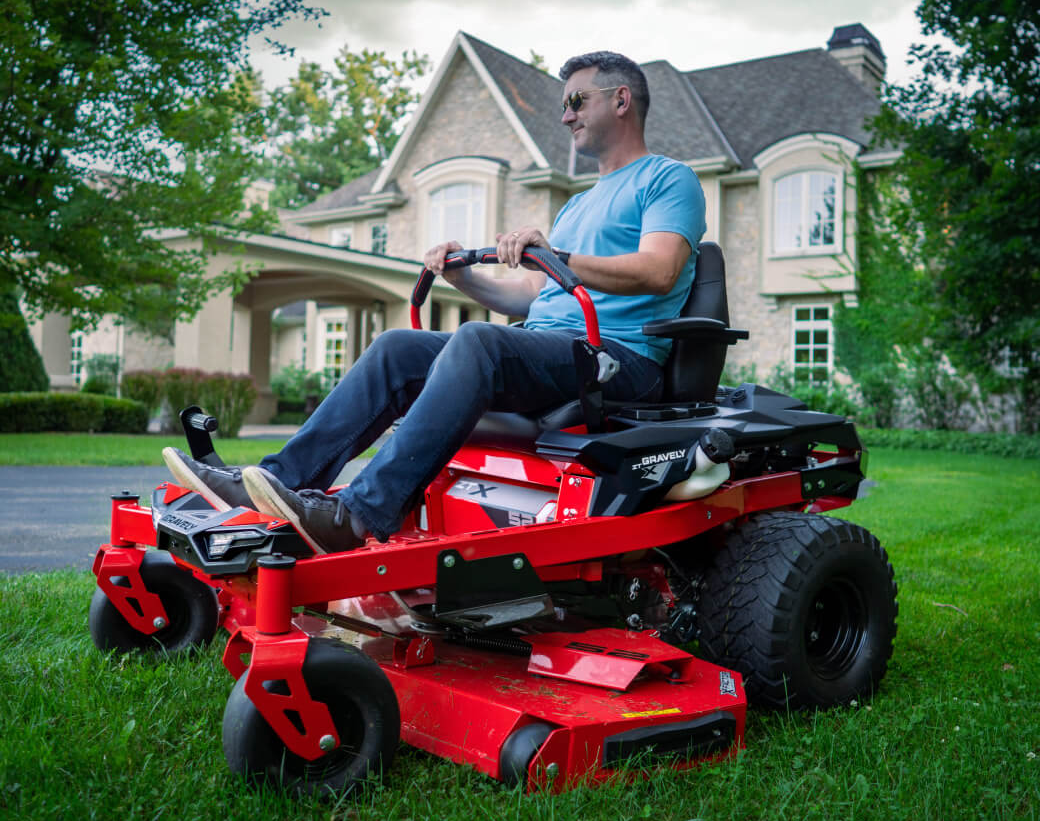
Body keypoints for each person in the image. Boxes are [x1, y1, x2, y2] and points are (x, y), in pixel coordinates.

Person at [164, 50, 707, 555]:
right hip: (555, 350)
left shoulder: (667, 178)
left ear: (621, 100)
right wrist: (462, 277)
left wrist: (557, 254)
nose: (566, 116)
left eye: (575, 101)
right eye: (563, 105)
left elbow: (659, 272)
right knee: (399, 346)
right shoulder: (577, 205)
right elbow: (531, 294)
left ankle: (358, 514)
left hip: (620, 360)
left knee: (479, 341)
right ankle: (277, 483)